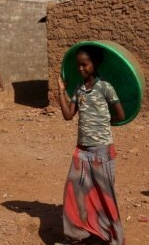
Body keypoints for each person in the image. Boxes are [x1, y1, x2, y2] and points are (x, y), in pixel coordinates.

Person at [56, 45, 126, 245]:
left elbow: (120, 115)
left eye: (84, 65)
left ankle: (113, 237)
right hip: (82, 151)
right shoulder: (78, 89)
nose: (80, 69)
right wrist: (62, 92)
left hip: (102, 150)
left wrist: (102, 123)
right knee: (73, 189)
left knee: (105, 196)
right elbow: (68, 116)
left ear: (94, 64)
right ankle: (77, 235)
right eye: (78, 65)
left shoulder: (105, 87)